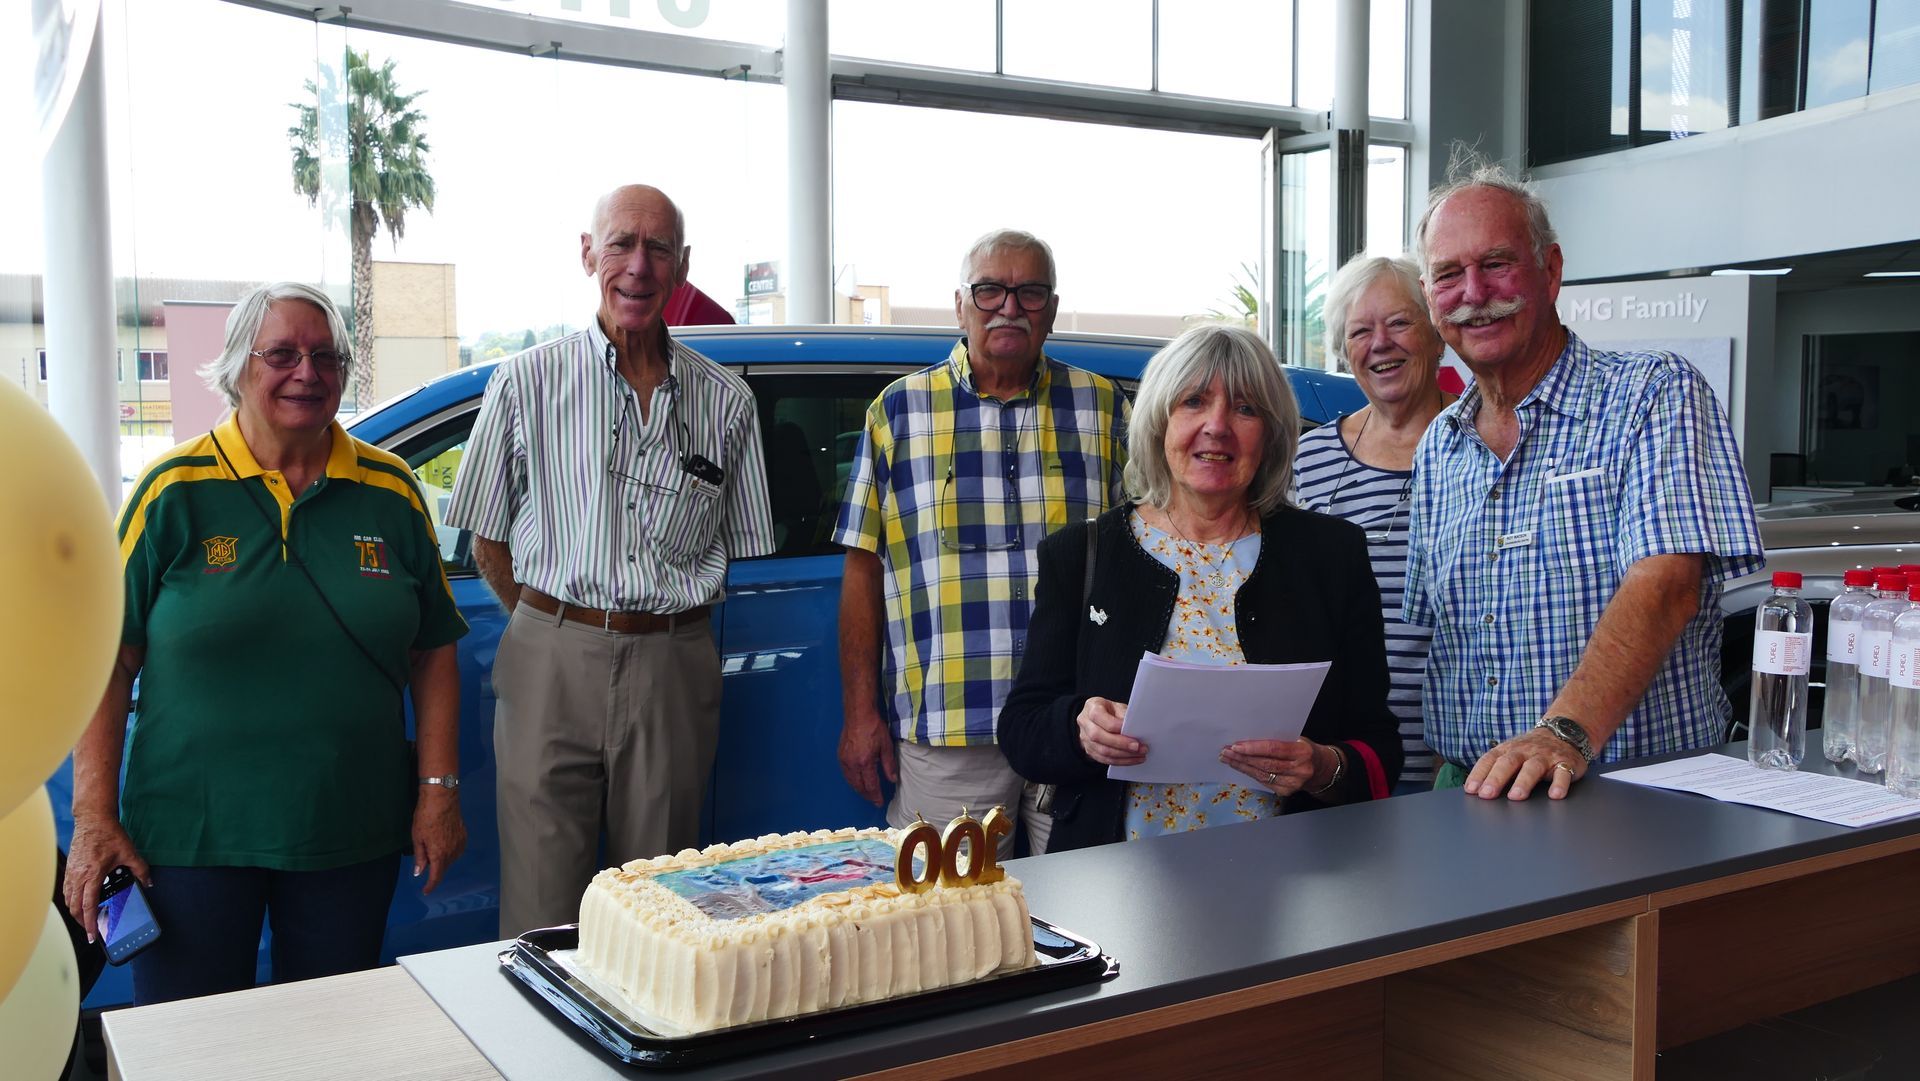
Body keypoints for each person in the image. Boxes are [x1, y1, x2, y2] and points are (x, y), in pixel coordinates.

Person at [61, 282, 468, 1004]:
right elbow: (105, 659)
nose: (306, 373)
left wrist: (437, 792)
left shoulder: (392, 490)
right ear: (238, 368)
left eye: (325, 356)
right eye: (281, 353)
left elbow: (434, 648)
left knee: (325, 1039)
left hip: (347, 831)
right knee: (190, 1046)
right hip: (190, 840)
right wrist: (93, 817)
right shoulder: (171, 491)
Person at [445, 184, 773, 935]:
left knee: (662, 906)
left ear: (682, 265)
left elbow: (744, 542)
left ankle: (648, 1051)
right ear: (588, 253)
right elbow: (486, 537)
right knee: (540, 905)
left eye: (659, 248)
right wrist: (550, 623)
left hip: (672, 657)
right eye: (621, 242)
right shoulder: (525, 382)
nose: (638, 264)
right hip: (549, 655)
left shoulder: (726, 402)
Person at [1404, 161, 1764, 801]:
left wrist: (1561, 734)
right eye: (1448, 275)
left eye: (1497, 263)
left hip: (1633, 796)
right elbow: (1450, 647)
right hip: (1476, 793)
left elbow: (1667, 588)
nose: (1475, 292)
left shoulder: (1653, 394)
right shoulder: (1441, 445)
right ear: (1431, 297)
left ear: (1550, 270)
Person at [998, 324, 1402, 852]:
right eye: (1193, 402)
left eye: (1245, 408)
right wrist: (1079, 727)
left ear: (1273, 433)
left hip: (1294, 880)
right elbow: (1022, 729)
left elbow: (1379, 745)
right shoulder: (1082, 554)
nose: (1217, 426)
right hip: (1119, 878)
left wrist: (1323, 766)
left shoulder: (1331, 555)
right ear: (1159, 423)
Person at [834, 229, 1130, 858]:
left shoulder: (1104, 408)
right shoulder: (899, 413)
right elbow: (863, 569)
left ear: (1050, 308)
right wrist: (861, 715)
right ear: (961, 305)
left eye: (1030, 293)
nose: (1009, 308)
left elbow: (1146, 548)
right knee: (944, 921)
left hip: (1074, 720)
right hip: (951, 726)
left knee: (1088, 908)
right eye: (991, 290)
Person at [1293, 254, 1455, 793]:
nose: (1380, 343)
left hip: (1463, 756)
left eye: (1400, 322)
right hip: (1341, 761)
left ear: (1437, 333)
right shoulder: (1306, 460)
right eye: (1360, 331)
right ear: (1345, 351)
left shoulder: (1484, 443)